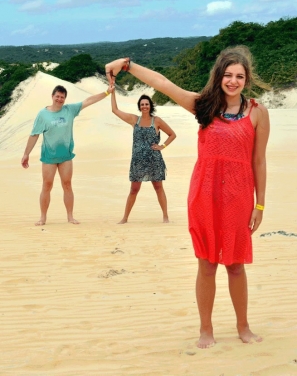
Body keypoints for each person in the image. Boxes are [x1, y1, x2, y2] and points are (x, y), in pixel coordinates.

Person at [105, 46, 270, 348]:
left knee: (235, 264)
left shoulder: (258, 112)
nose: (233, 81)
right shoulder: (203, 106)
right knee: (206, 263)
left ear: (246, 80)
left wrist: (260, 204)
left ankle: (243, 327)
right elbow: (164, 84)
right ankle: (205, 329)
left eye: (240, 76)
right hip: (205, 194)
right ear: (219, 75)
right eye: (228, 75)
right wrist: (127, 65)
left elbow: (259, 161)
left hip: (239, 196)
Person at [21, 84, 114, 226]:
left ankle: (70, 216)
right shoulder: (43, 114)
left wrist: (107, 92)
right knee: (47, 185)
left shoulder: (69, 110)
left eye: (62, 97)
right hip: (49, 157)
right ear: (52, 96)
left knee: (67, 185)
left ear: (65, 99)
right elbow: (34, 135)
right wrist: (26, 153)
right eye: (57, 96)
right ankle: (43, 217)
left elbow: (88, 101)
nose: (59, 99)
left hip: (66, 156)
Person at [110, 89, 176, 223]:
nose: (144, 106)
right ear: (139, 107)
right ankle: (125, 218)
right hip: (138, 161)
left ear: (150, 106)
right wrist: (112, 92)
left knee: (158, 187)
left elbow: (172, 134)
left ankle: (165, 216)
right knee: (134, 189)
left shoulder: (156, 121)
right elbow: (115, 110)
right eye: (142, 104)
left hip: (154, 160)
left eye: (146, 104)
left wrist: (162, 146)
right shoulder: (134, 119)